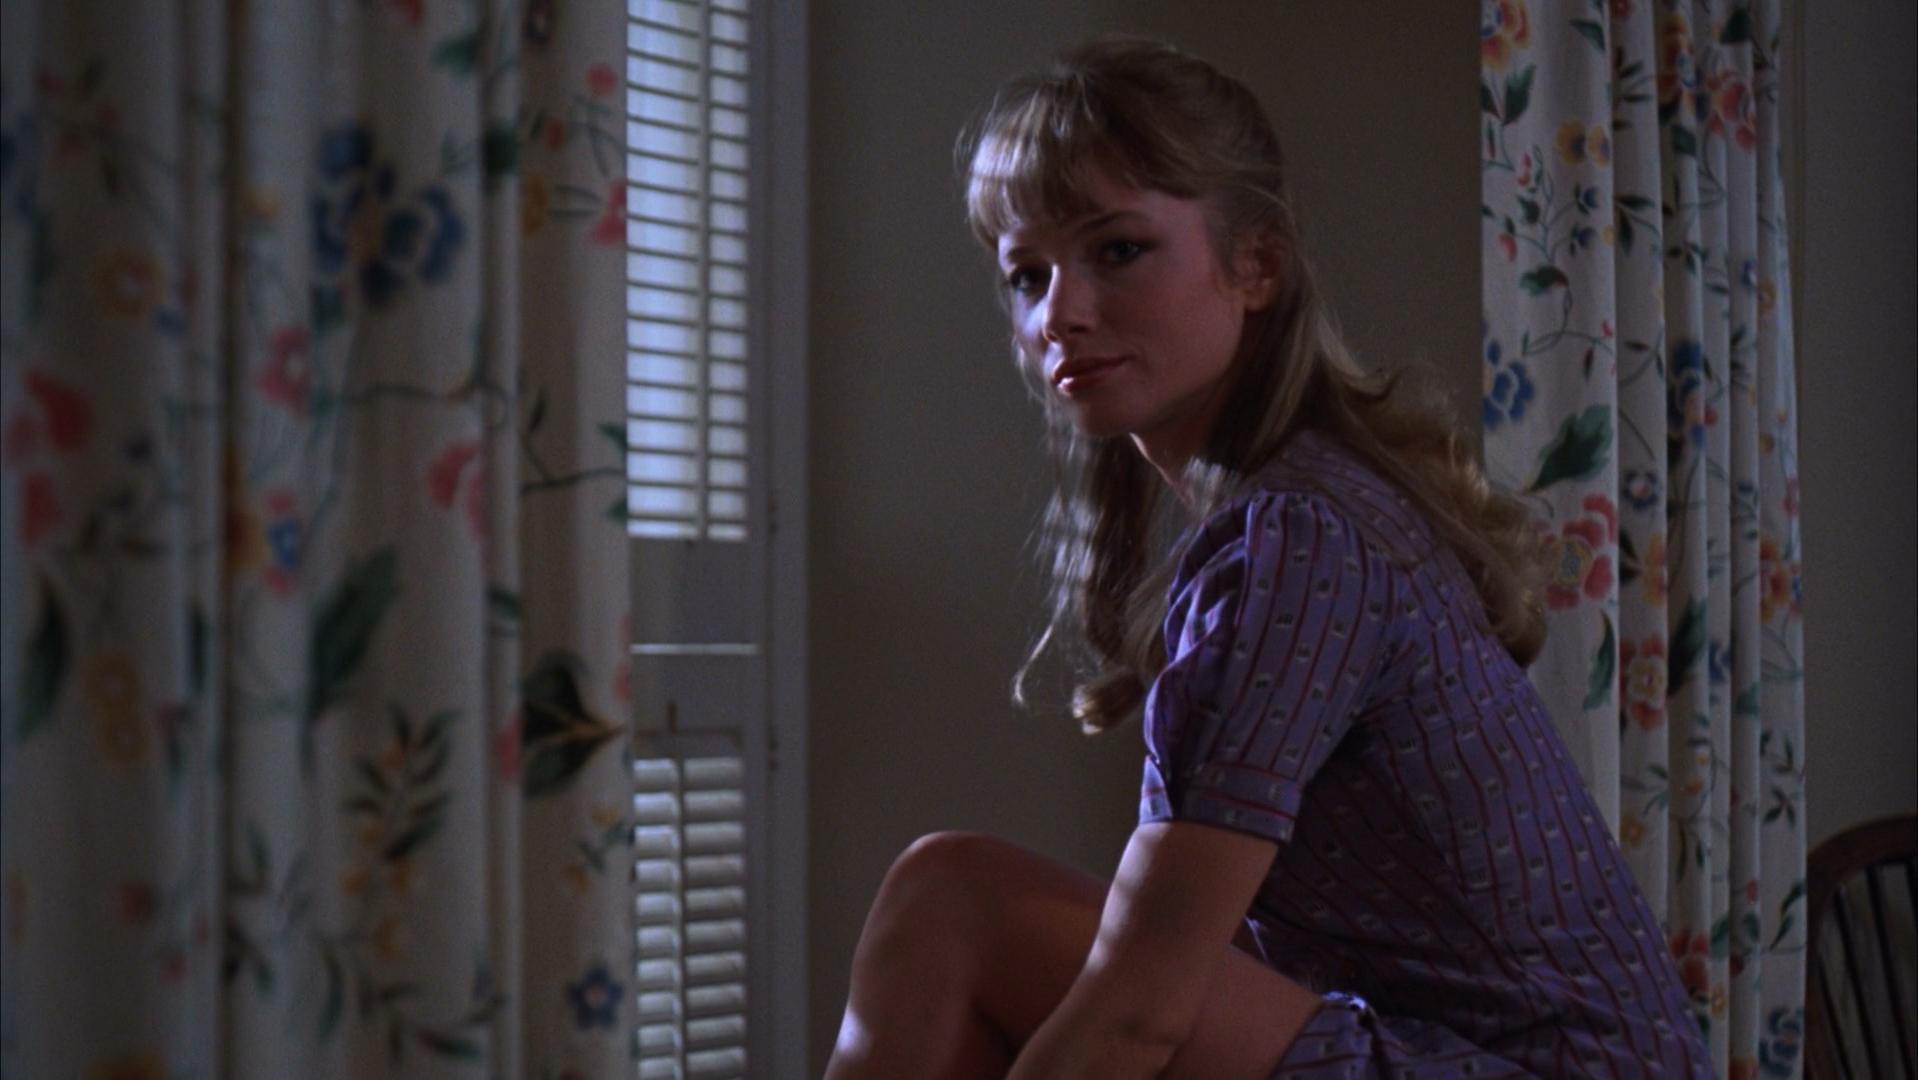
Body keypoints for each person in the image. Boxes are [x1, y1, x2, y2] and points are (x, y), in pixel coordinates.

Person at [823, 37, 1712, 1079]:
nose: (1057, 312)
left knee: (953, 902)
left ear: (1256, 265)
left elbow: (1138, 1014)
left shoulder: (1301, 538)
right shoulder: (1307, 505)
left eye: (1117, 250)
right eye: (1027, 274)